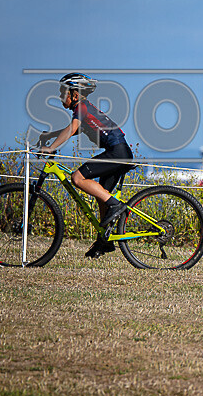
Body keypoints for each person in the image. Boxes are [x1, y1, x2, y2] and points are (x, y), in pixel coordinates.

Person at [38, 73, 134, 258]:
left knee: (77, 177)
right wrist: (51, 136)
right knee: (102, 197)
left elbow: (73, 128)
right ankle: (104, 242)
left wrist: (51, 148)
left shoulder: (81, 107)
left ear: (74, 94)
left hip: (117, 153)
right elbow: (76, 130)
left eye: (62, 92)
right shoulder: (84, 109)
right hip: (120, 153)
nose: (60, 97)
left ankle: (117, 207)